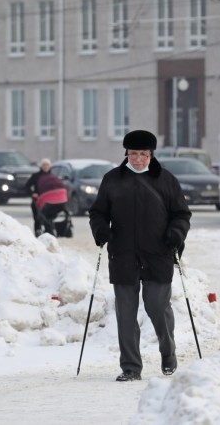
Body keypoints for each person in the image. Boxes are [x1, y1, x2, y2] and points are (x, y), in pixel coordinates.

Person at [89, 130, 191, 382]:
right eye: (133, 154)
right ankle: (131, 367)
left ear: (151, 155)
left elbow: (181, 214)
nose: (137, 159)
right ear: (126, 154)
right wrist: (101, 229)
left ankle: (168, 352)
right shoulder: (112, 179)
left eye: (143, 154)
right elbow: (98, 212)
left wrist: (176, 234)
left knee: (157, 307)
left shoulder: (166, 180)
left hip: (158, 254)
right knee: (125, 313)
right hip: (123, 255)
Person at [35, 168, 68, 236]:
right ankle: (63, 229)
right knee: (52, 213)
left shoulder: (41, 180)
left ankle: (48, 230)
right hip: (62, 200)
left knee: (44, 215)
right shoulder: (55, 179)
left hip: (49, 201)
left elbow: (40, 203)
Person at [25, 158, 53, 235]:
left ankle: (49, 232)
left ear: (50, 166)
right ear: (41, 166)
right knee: (37, 217)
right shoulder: (36, 176)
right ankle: (38, 232)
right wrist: (32, 193)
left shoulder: (52, 177)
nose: (45, 167)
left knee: (48, 217)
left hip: (49, 201)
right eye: (44, 165)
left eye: (47, 165)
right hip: (37, 200)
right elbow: (27, 186)